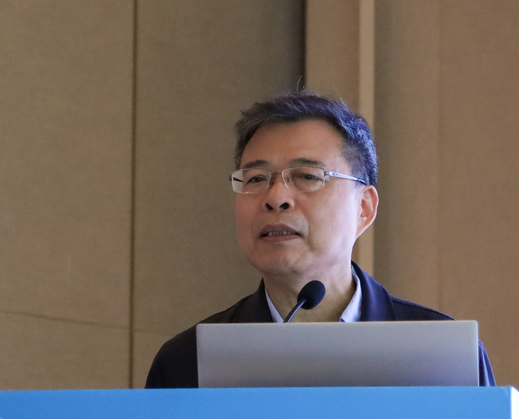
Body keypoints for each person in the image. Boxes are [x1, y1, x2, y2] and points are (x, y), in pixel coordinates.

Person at [144, 89, 495, 388]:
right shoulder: (188, 363)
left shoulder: (442, 356)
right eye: (256, 179)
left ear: (364, 208)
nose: (276, 197)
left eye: (308, 176)